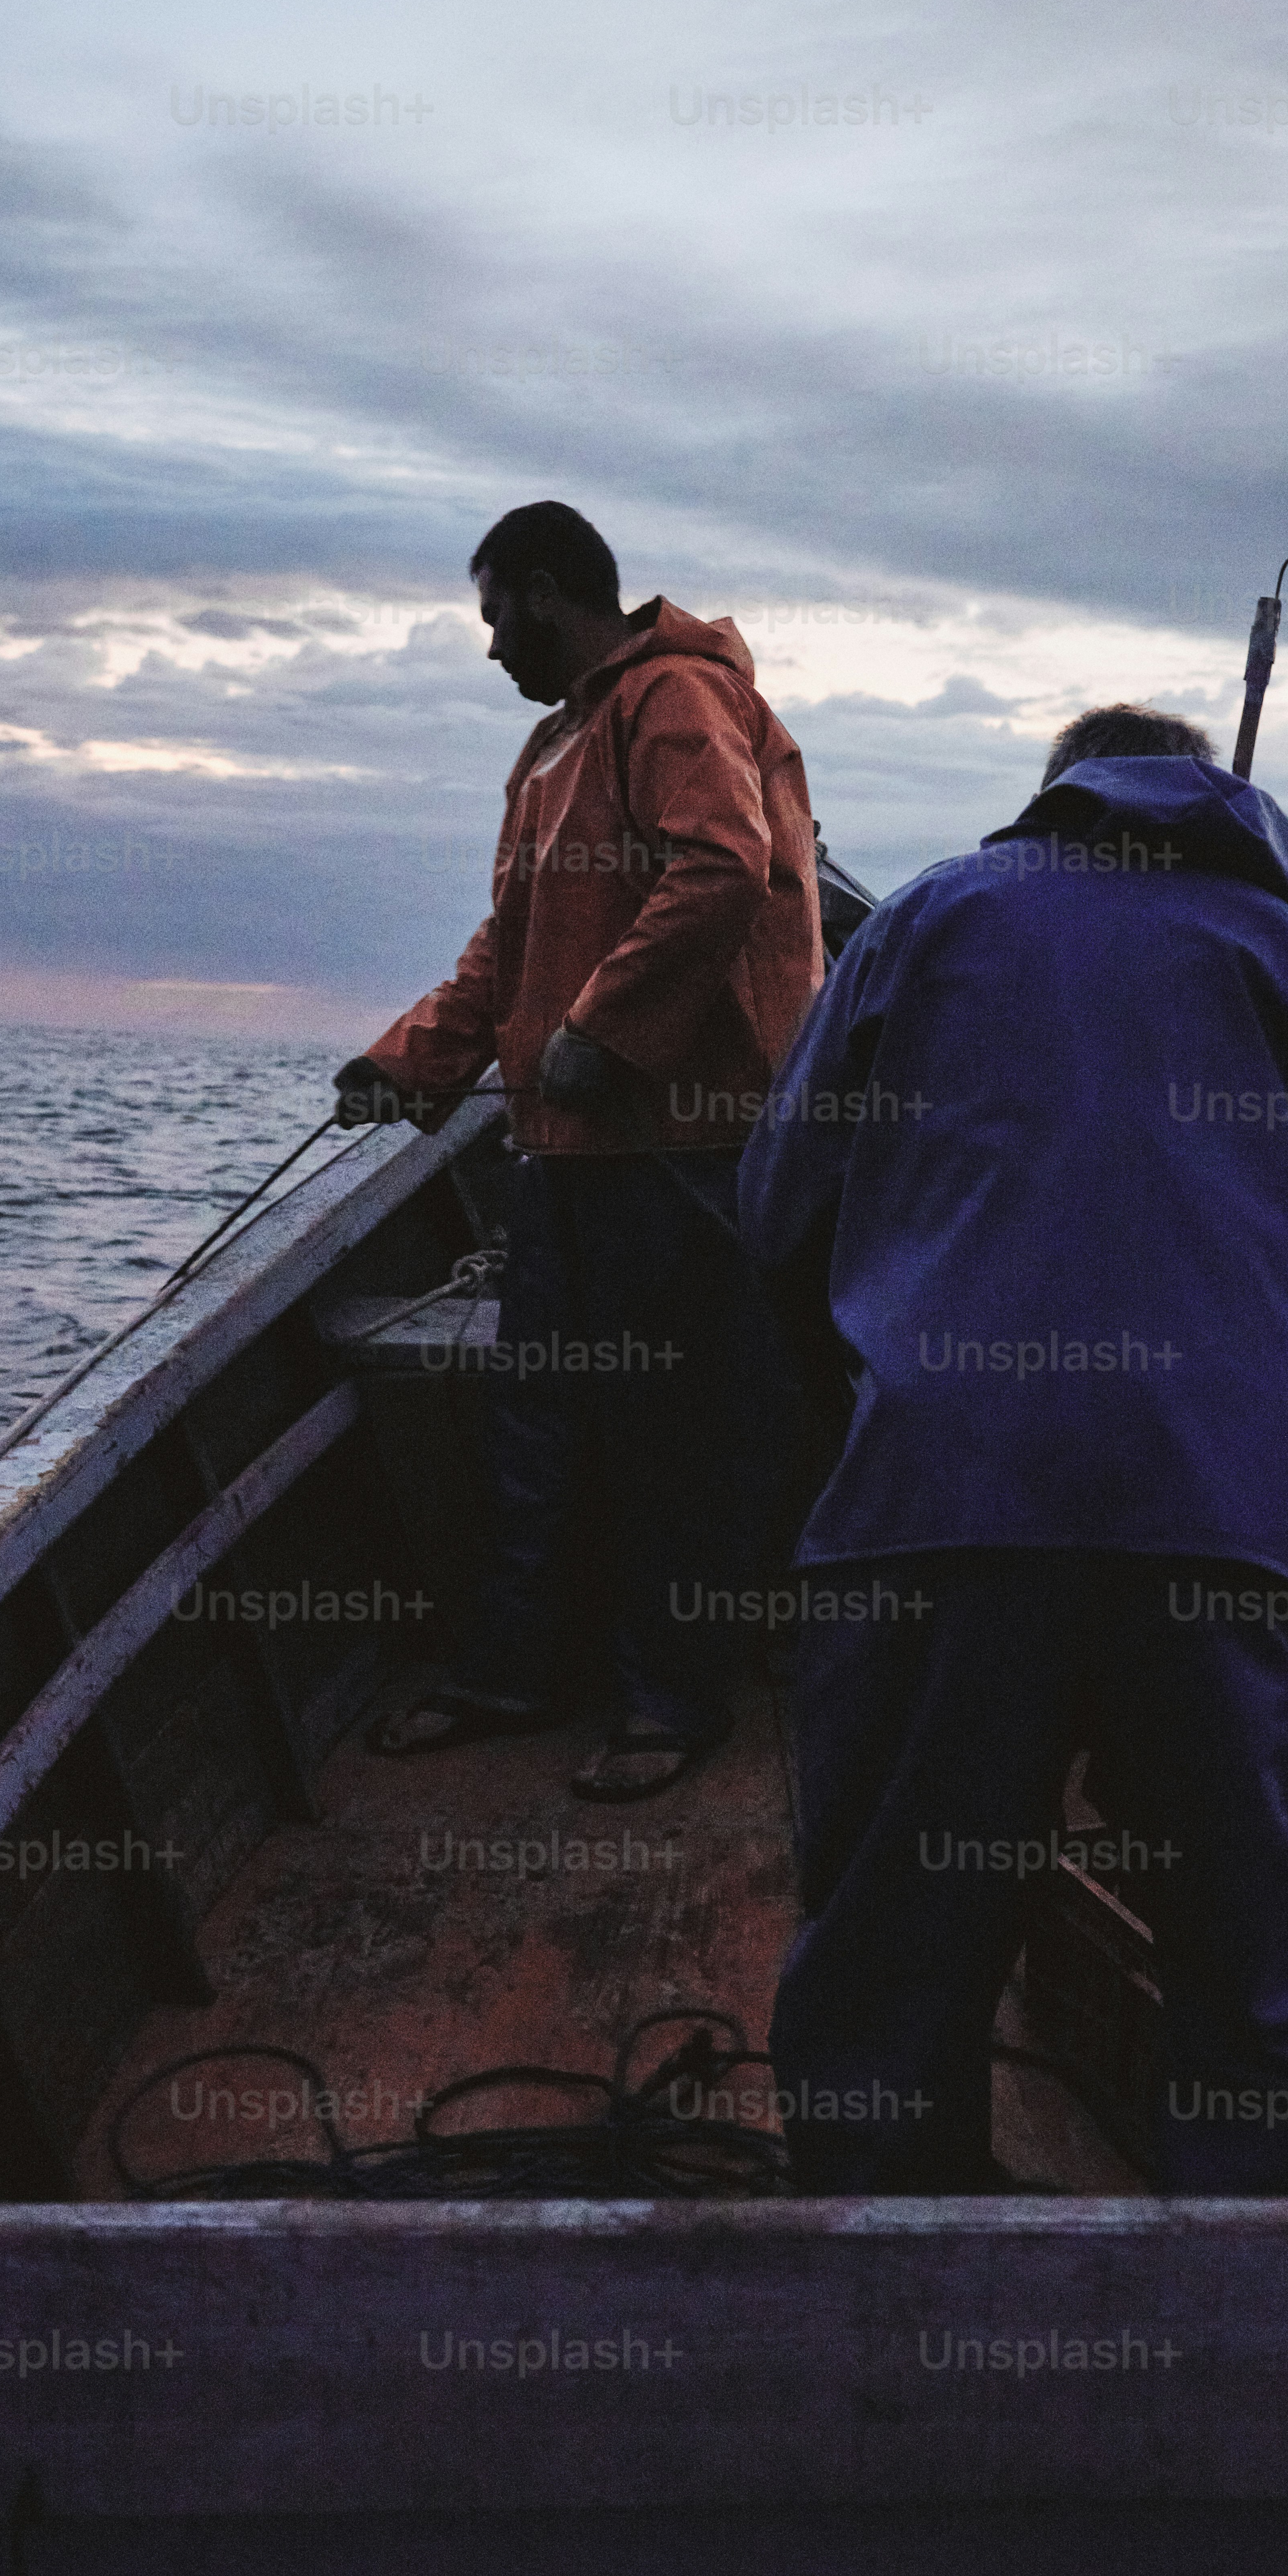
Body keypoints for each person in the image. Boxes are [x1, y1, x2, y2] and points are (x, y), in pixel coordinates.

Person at [737, 703, 1288, 2192]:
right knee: (1248, 1957)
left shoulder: (933, 916)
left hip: (955, 1487)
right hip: (1238, 1505)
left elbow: (777, 1203)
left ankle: (892, 2300)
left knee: (895, 1946)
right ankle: (1274, 2305)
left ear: (1055, 796)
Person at [334, 501, 822, 1799]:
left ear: (548, 596)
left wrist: (605, 1032)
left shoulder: (674, 700)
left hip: (677, 1155)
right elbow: (508, 946)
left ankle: (673, 1704)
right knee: (539, 1424)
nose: (491, 651)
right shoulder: (550, 751)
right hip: (562, 1160)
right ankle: (512, 1673)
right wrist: (411, 1063)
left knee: (674, 1437)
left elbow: (725, 865)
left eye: (497, 619)